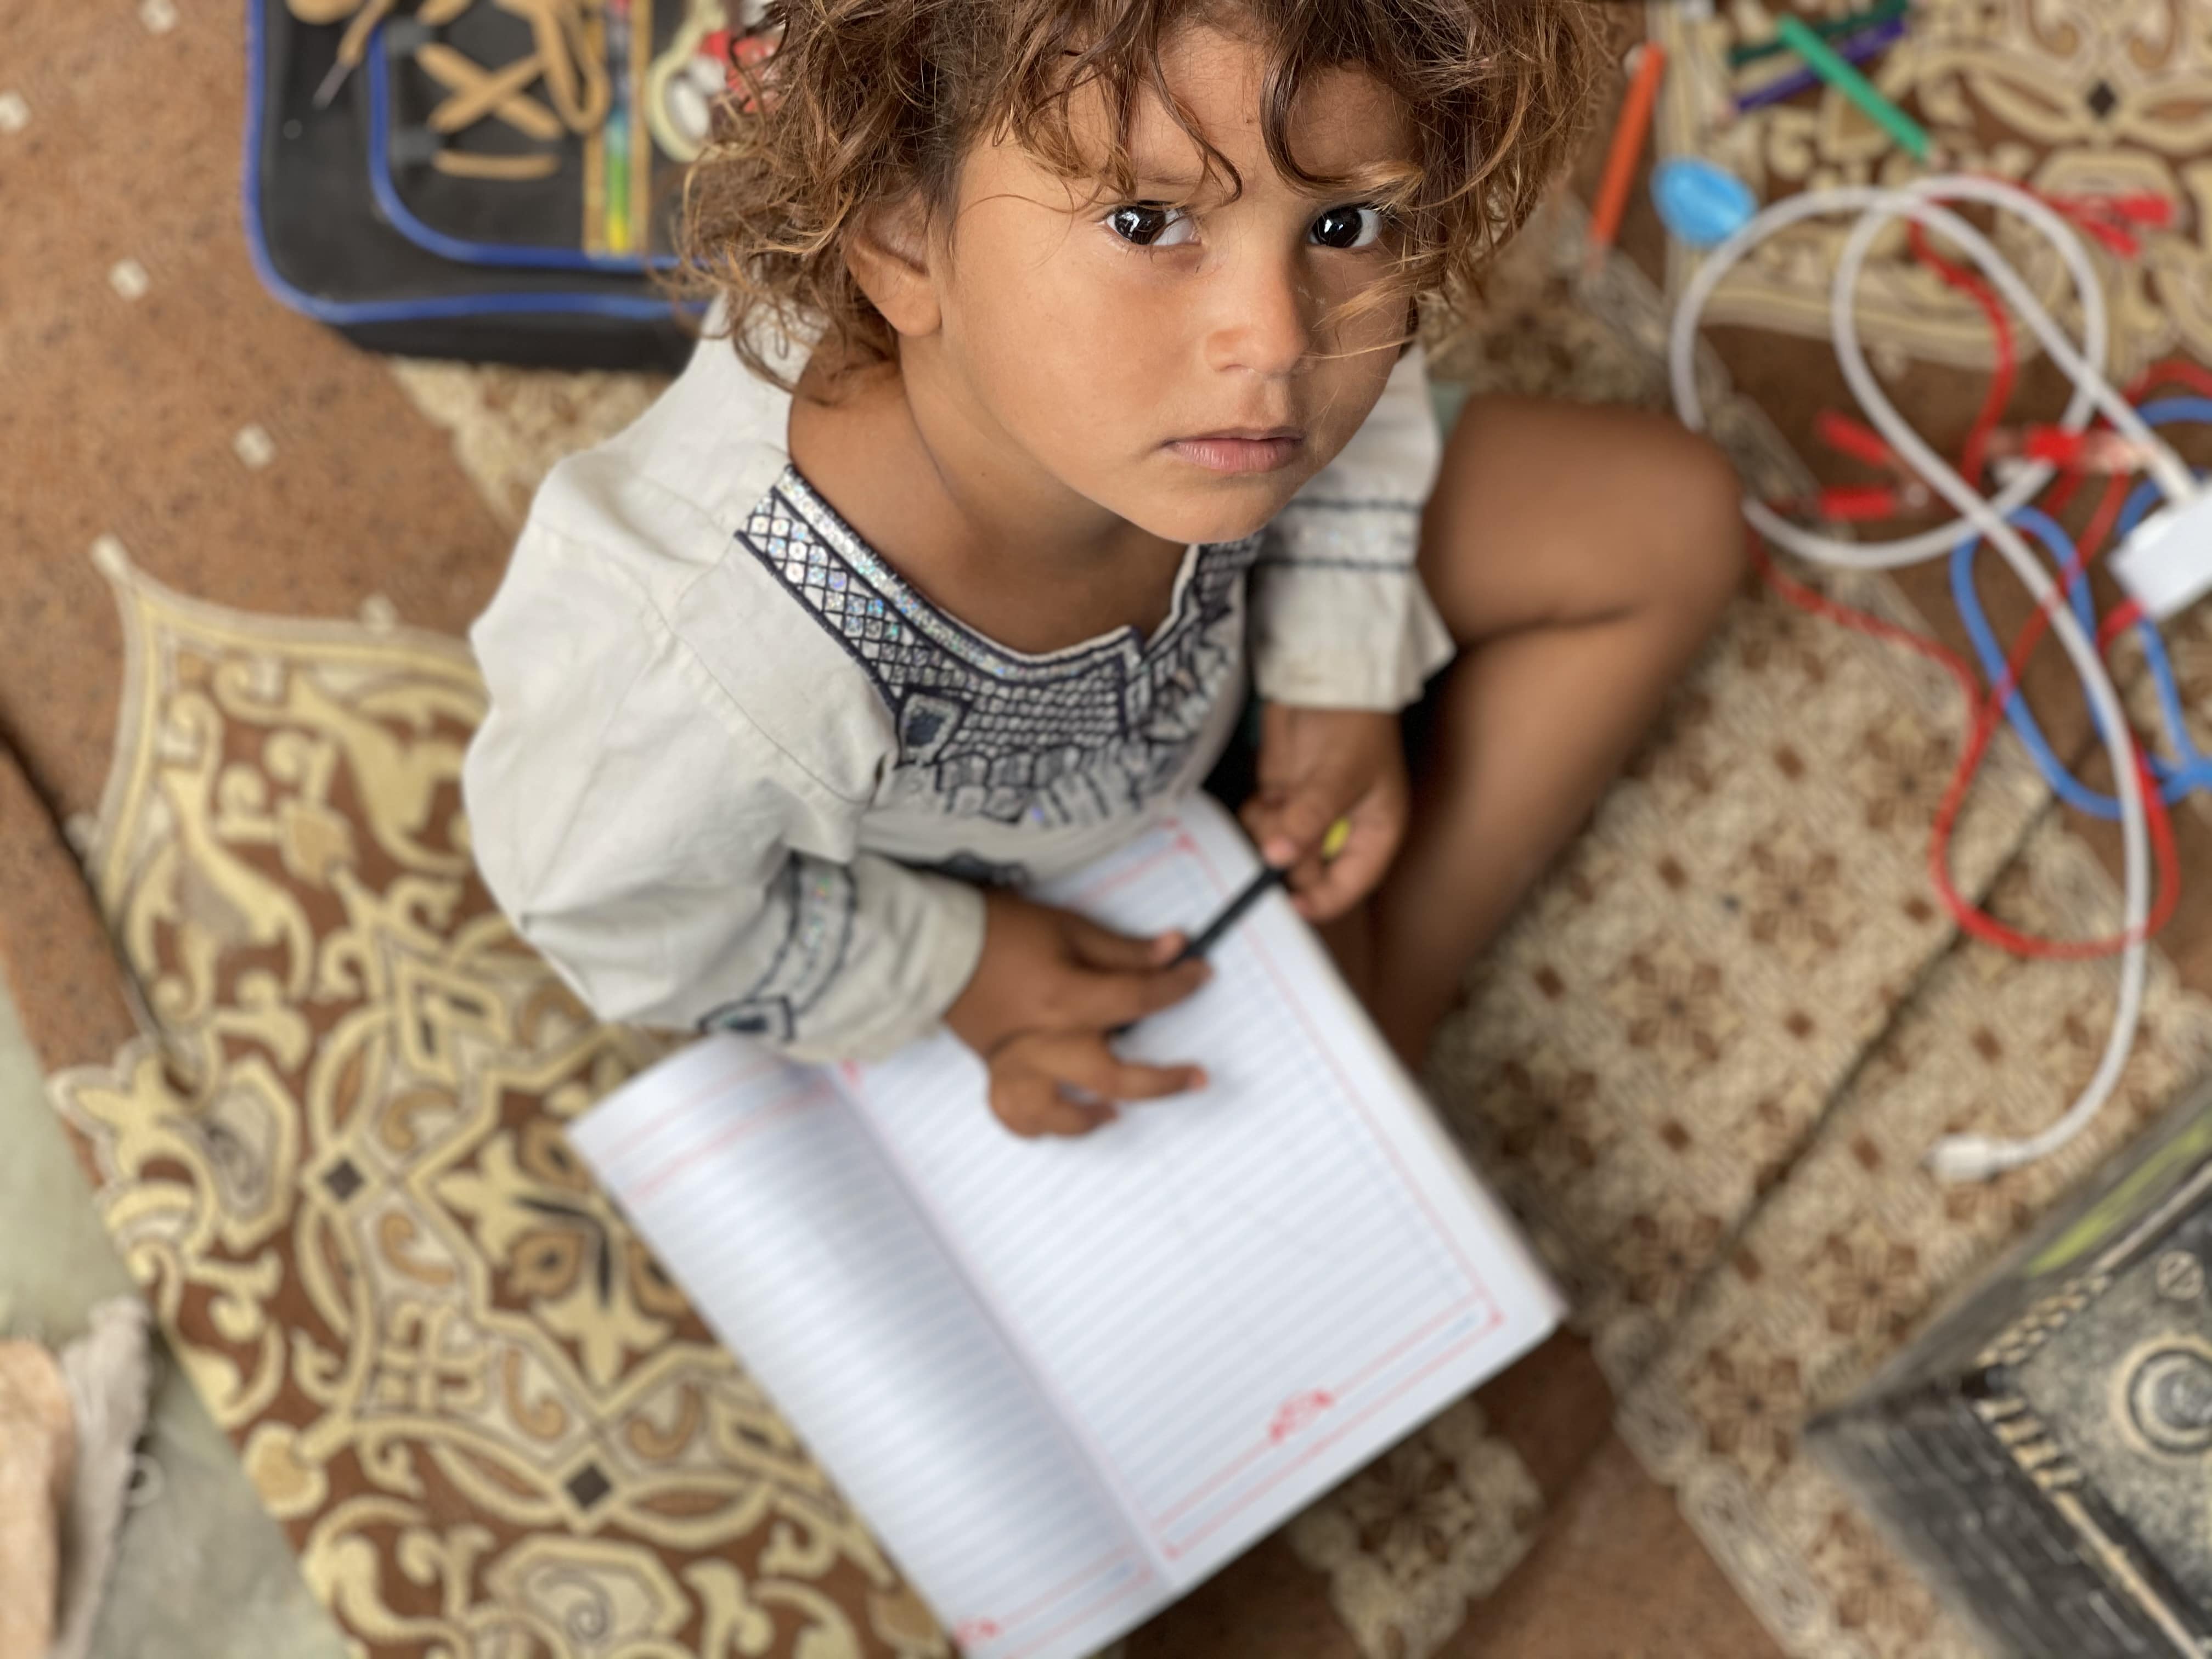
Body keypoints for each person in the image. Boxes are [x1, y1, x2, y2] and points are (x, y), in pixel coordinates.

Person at [461, 0, 1743, 1139]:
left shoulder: (1233, 372)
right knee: (1258, 1135)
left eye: (1342, 222)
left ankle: (1370, 1030)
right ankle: (1345, 1056)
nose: (1277, 339)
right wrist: (956, 970)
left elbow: (1377, 371)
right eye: (1149, 221)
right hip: (1046, 880)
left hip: (1235, 670)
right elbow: (594, 899)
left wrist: (1338, 670)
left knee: (1674, 520)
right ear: (905, 236)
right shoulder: (717, 651)